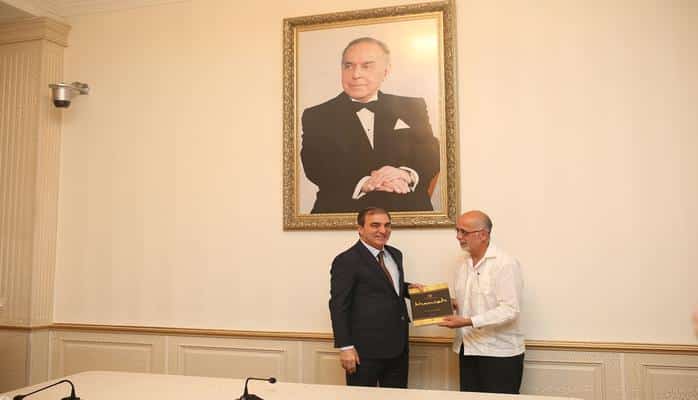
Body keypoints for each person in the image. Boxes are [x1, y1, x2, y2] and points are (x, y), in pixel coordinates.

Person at [301, 37, 440, 214]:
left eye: (366, 66)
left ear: (386, 71)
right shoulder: (316, 115)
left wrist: (405, 174)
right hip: (342, 212)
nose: (355, 74)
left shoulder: (412, 106)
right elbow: (315, 166)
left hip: (407, 210)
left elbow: (430, 152)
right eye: (348, 66)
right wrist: (364, 183)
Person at [439, 210, 525, 394]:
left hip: (499, 353)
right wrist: (450, 302)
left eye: (464, 232)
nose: (458, 236)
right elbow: (473, 301)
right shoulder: (462, 263)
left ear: (483, 235)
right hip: (468, 349)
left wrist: (468, 321)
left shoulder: (505, 263)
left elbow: (510, 309)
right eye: (457, 231)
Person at [328, 207, 416, 387]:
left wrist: (411, 290)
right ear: (360, 229)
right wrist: (345, 347)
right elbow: (338, 305)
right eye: (375, 225)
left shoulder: (395, 254)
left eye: (387, 225)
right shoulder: (346, 260)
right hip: (364, 352)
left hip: (398, 348)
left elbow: (387, 287)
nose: (383, 230)